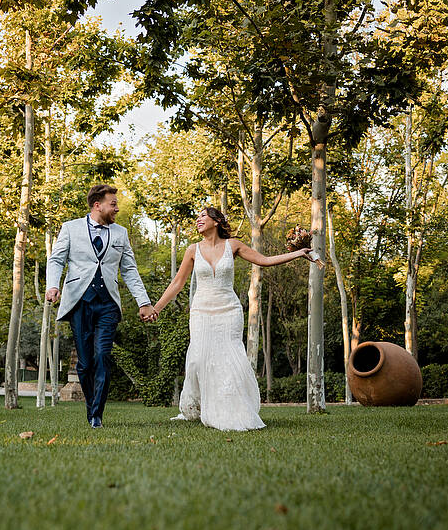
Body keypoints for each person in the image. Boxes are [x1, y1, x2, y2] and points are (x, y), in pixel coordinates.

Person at [148, 207, 315, 432]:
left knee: (229, 357)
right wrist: (156, 308)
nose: (198, 220)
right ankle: (198, 405)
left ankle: (232, 407)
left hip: (229, 310)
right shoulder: (192, 250)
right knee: (199, 359)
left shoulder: (233, 245)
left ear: (216, 221)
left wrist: (298, 253)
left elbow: (264, 260)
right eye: (197, 217)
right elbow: (177, 284)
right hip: (201, 311)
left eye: (202, 216)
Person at [45, 184, 155, 429]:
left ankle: (97, 414)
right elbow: (56, 259)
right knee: (85, 364)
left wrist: (144, 302)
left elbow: (129, 270)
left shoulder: (121, 233)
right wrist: (52, 286)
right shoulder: (70, 228)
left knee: (103, 356)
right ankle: (90, 407)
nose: (116, 208)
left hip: (108, 304)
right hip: (79, 303)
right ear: (98, 205)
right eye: (113, 203)